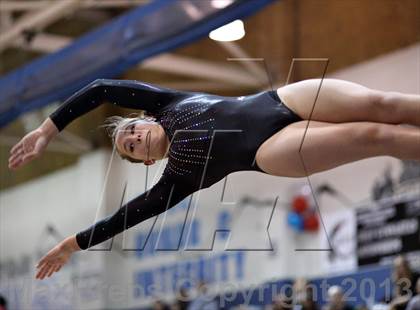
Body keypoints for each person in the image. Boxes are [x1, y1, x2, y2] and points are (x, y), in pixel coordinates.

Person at [7, 78, 420, 280]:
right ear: (148, 161)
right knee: (374, 135)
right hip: (271, 148)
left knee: (383, 103)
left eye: (131, 132)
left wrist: (47, 130)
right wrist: (69, 245)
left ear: (144, 120)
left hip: (276, 100)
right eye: (131, 148)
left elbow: (100, 88)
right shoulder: (178, 178)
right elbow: (123, 218)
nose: (134, 139)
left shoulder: (166, 105)